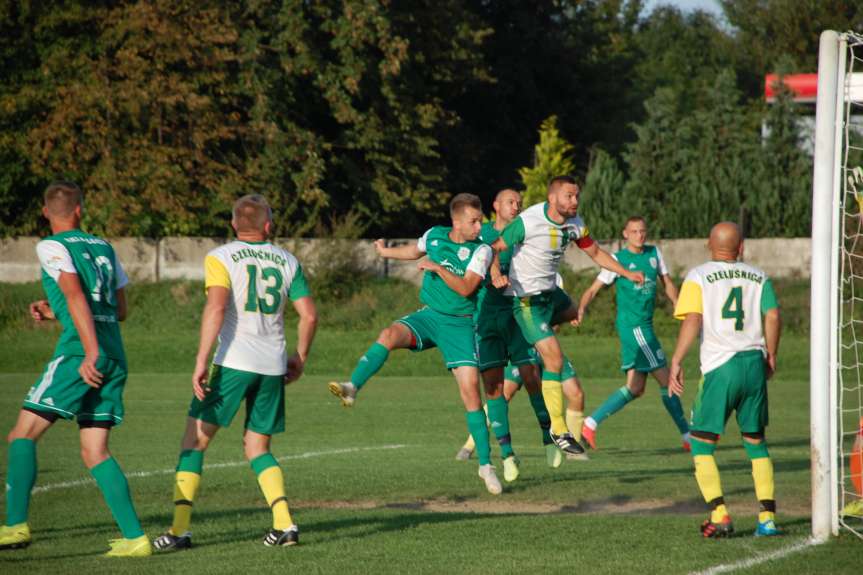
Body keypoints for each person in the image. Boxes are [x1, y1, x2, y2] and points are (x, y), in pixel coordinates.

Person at [153, 194, 317, 551]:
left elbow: (217, 306)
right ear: (269, 226)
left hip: (233, 362)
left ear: (233, 224)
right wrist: (299, 357)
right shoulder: (288, 259)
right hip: (273, 365)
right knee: (258, 446)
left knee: (194, 441)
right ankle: (284, 525)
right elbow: (310, 315)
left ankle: (179, 531)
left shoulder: (221, 256)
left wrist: (200, 360)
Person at [0, 181, 150, 557]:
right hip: (114, 354)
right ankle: (135, 539)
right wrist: (56, 314)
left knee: (22, 434)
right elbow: (119, 310)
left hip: (80, 355)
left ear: (46, 211)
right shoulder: (104, 247)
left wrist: (89, 351)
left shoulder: (51, 246)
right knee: (95, 450)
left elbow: (74, 293)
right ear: (81, 209)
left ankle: (15, 526)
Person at [328, 194, 503, 494]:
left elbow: (466, 288)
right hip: (430, 316)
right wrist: (385, 252)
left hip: (460, 325)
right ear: (456, 221)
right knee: (388, 335)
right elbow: (414, 250)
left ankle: (486, 466)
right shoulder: (435, 235)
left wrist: (438, 269)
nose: (479, 225)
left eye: (480, 220)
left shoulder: (482, 250)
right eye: (474, 221)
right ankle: (353, 387)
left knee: (471, 392)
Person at [490, 176, 644, 455]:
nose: (574, 202)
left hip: (550, 294)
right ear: (552, 198)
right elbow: (496, 247)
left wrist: (626, 273)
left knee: (573, 310)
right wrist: (494, 272)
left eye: (576, 196)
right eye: (569, 196)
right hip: (526, 299)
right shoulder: (529, 221)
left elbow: (595, 252)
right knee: (555, 359)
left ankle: (530, 338)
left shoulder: (575, 224)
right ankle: (558, 428)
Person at [669, 222, 781, 538]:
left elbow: (693, 318)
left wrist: (676, 359)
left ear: (709, 244)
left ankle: (720, 515)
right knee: (756, 443)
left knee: (702, 445)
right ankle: (768, 518)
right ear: (741, 246)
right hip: (753, 364)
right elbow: (772, 315)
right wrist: (771, 355)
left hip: (721, 367)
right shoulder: (759, 276)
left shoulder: (698, 275)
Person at [576, 216, 689, 451]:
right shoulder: (618, 260)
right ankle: (688, 436)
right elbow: (594, 289)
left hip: (645, 326)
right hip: (634, 327)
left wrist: (679, 305)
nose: (640, 235)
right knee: (667, 379)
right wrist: (582, 308)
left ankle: (590, 424)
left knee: (635, 388)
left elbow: (666, 282)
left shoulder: (654, 254)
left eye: (643, 231)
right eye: (634, 231)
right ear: (625, 234)